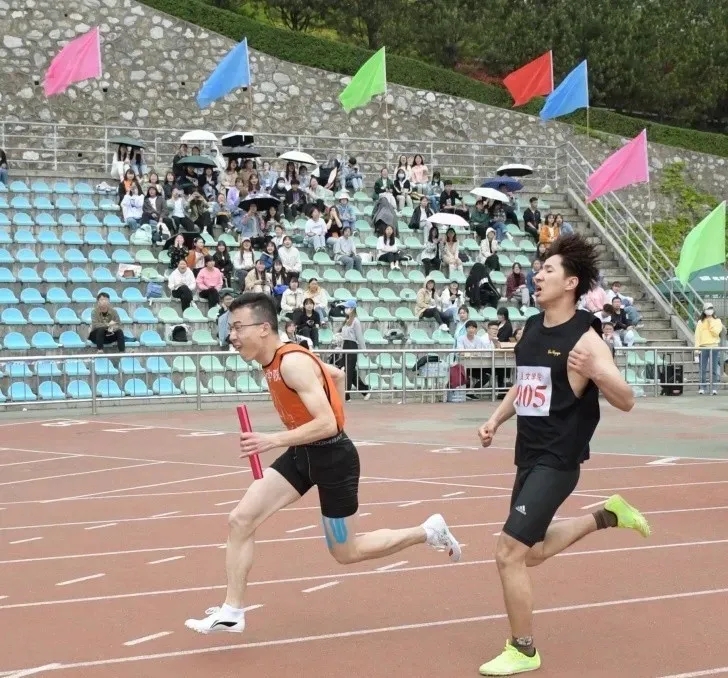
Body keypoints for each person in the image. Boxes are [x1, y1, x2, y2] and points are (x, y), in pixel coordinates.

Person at [185, 292, 461, 635]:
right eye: (231, 328)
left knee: (346, 552)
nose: (232, 336)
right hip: (302, 454)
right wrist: (328, 416)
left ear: (264, 328)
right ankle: (232, 611)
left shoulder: (291, 363)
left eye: (238, 327)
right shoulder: (276, 360)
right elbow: (336, 375)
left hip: (334, 460)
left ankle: (428, 531)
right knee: (241, 520)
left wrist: (274, 439)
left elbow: (328, 423)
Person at [476, 234, 651, 676]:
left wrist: (596, 373)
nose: (537, 276)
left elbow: (627, 399)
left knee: (508, 552)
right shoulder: (533, 327)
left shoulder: (586, 340)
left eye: (548, 270)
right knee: (530, 552)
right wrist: (496, 419)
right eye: (539, 270)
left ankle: (523, 649)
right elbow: (525, 383)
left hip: (558, 459)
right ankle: (606, 516)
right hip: (528, 453)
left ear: (570, 283)